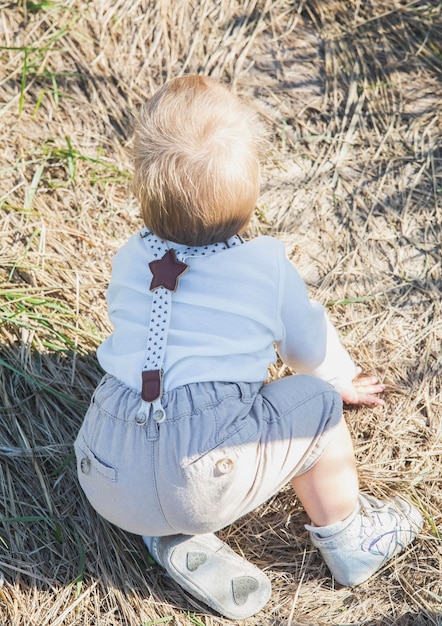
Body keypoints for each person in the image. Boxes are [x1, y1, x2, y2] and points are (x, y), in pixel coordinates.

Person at [74, 75, 422, 620]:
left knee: (153, 443)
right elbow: (307, 344)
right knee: (316, 405)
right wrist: (338, 379)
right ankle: (352, 538)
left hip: (103, 464)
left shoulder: (127, 258)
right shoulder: (264, 266)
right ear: (251, 190)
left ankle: (163, 530)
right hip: (203, 466)